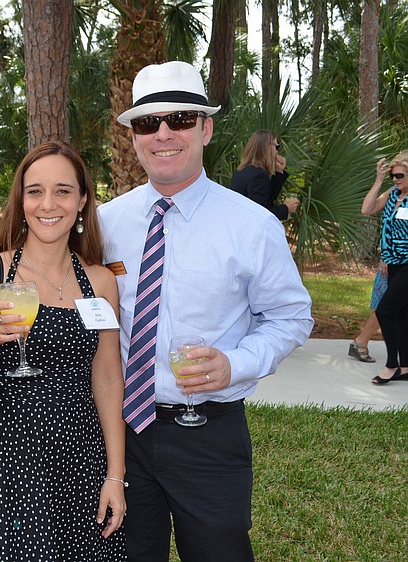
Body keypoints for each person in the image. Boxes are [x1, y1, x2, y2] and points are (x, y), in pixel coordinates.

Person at [98, 61, 313, 562]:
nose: (164, 134)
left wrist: (234, 364)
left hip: (211, 435)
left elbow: (291, 317)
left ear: (206, 128)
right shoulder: (107, 223)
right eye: (149, 123)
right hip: (123, 435)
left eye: (180, 119)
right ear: (133, 136)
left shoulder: (251, 225)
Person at [0, 141, 127, 560]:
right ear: (21, 200)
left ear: (82, 201)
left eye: (63, 191)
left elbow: (108, 376)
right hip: (14, 461)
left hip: (84, 460)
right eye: (35, 191)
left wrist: (115, 475)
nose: (49, 204)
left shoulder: (100, 281)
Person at [361, 154, 408, 384]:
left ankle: (392, 365)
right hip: (393, 264)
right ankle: (406, 366)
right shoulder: (393, 195)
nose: (395, 179)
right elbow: (367, 209)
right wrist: (379, 180)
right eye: (393, 175)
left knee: (385, 310)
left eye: (400, 175)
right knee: (401, 314)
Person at [230, 129, 299, 220]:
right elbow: (261, 214)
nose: (277, 152)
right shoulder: (258, 175)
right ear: (267, 148)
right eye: (276, 146)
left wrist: (278, 172)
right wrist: (286, 209)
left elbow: (266, 198)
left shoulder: (242, 170)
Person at [348, 266, 386, 363]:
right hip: (396, 260)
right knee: (386, 305)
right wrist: (385, 260)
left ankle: (360, 342)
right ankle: (360, 342)